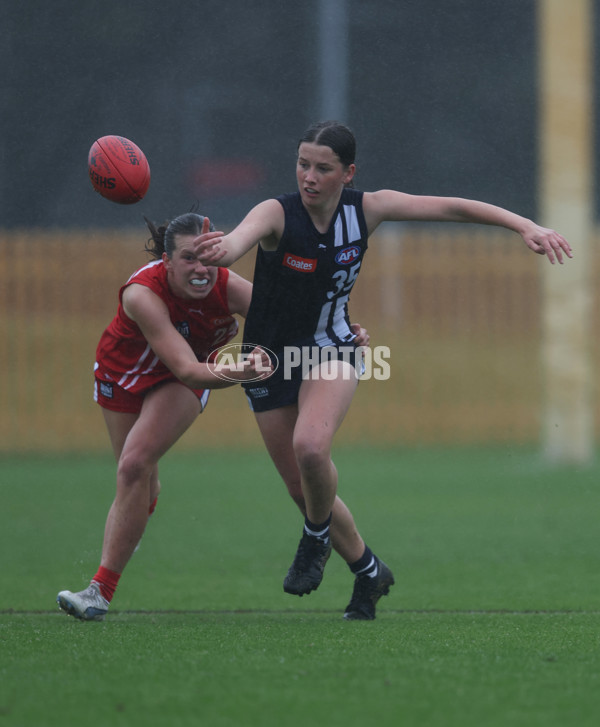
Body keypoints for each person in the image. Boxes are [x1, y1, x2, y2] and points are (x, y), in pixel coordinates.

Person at [192, 120, 573, 621]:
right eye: (303, 164)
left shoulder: (368, 209)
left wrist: (525, 225)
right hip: (267, 361)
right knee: (301, 484)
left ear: (348, 173)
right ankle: (370, 571)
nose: (309, 176)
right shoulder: (275, 213)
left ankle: (314, 538)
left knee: (311, 448)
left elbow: (451, 207)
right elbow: (240, 238)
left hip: (335, 347)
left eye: (323, 168)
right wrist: (221, 251)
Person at [56, 212, 273, 621]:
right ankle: (134, 520)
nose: (201, 268)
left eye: (210, 257)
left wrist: (345, 331)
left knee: (134, 464)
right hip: (122, 375)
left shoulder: (229, 288)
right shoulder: (141, 293)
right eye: (189, 258)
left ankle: (98, 592)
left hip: (184, 376)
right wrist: (242, 371)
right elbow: (186, 366)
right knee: (140, 482)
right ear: (167, 262)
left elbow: (287, 325)